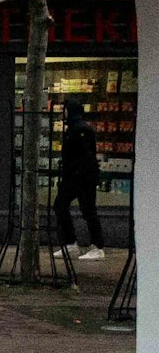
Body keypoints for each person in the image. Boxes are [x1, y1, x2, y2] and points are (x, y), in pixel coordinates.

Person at [55, 102, 107, 261]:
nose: (61, 113)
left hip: (80, 178)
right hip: (79, 177)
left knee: (84, 209)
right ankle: (75, 243)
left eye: (64, 110)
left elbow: (84, 157)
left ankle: (95, 246)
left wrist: (74, 175)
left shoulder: (80, 130)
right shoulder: (76, 128)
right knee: (71, 207)